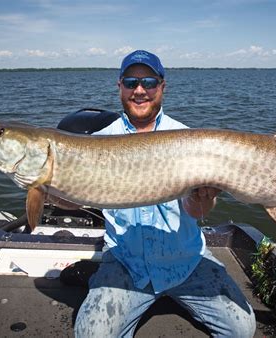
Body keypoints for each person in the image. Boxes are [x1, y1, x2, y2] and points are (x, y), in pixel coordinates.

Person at [74, 50, 256, 337]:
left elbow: (197, 212)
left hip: (185, 260)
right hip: (126, 262)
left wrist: (202, 198)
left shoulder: (188, 138)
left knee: (242, 329)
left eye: (149, 82)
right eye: (131, 82)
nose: (140, 90)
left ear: (162, 86)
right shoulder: (98, 143)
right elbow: (70, 197)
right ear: (119, 86)